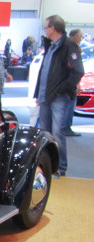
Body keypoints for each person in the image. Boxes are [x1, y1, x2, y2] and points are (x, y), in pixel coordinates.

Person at [34, 15, 84, 178]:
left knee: (57, 132)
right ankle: (45, 165)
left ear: (53, 28)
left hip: (59, 97)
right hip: (45, 96)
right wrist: (37, 93)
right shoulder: (50, 45)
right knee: (45, 133)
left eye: (46, 27)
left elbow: (78, 71)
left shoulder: (68, 46)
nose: (45, 30)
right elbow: (44, 72)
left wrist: (62, 89)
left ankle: (60, 167)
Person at [64, 29, 84, 137]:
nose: (81, 38)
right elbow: (75, 69)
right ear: (75, 36)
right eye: (80, 36)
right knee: (69, 106)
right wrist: (75, 84)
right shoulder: (72, 48)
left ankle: (66, 127)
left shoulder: (69, 46)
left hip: (69, 82)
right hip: (69, 84)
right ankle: (66, 128)